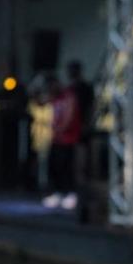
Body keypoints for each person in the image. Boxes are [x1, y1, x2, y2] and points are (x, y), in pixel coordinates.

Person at [41, 73, 80, 210]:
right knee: (54, 166)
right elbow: (41, 102)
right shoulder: (55, 98)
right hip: (57, 138)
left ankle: (70, 194)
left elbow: (69, 116)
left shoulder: (69, 96)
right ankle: (57, 193)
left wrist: (61, 128)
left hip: (68, 139)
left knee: (66, 167)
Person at [66, 60, 94, 197]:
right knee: (71, 160)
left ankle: (82, 189)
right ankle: (74, 188)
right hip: (69, 129)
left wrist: (86, 124)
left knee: (81, 160)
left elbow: (90, 108)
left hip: (81, 128)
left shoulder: (84, 88)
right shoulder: (69, 89)